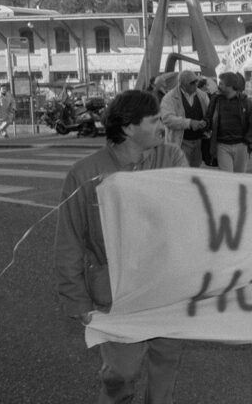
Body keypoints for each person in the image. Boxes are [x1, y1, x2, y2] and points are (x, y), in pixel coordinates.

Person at [54, 89, 188, 404]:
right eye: (154, 120)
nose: (162, 127)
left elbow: (189, 215)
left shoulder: (171, 158)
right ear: (128, 127)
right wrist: (77, 299)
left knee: (165, 366)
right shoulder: (84, 173)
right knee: (121, 374)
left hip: (166, 288)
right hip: (116, 293)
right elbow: (69, 241)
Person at [205, 72, 252, 173]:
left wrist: (247, 142)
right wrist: (204, 125)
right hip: (222, 145)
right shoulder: (216, 100)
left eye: (221, 83)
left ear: (230, 86)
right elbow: (208, 117)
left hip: (241, 145)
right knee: (226, 177)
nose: (218, 86)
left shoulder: (246, 102)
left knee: (239, 176)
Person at [159, 70, 210, 167]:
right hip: (180, 142)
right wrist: (189, 123)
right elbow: (167, 119)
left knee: (195, 171)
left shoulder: (202, 95)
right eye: (192, 83)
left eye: (196, 81)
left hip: (198, 142)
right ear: (182, 84)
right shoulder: (169, 98)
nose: (195, 84)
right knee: (181, 171)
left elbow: (208, 113)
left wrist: (205, 122)